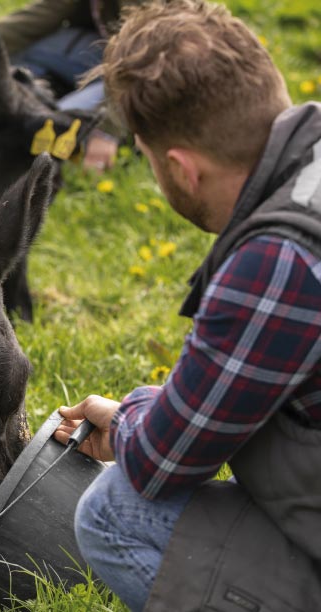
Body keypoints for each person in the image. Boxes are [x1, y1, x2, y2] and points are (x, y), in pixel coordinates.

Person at [52, 1, 321, 610]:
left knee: (113, 511)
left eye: (146, 158)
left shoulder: (279, 260)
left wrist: (124, 419)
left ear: (180, 167)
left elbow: (163, 462)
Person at [0, 0, 145, 171]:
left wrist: (108, 130)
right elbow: (42, 15)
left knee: (50, 128)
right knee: (22, 60)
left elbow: (144, 63)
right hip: (100, 50)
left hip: (146, 73)